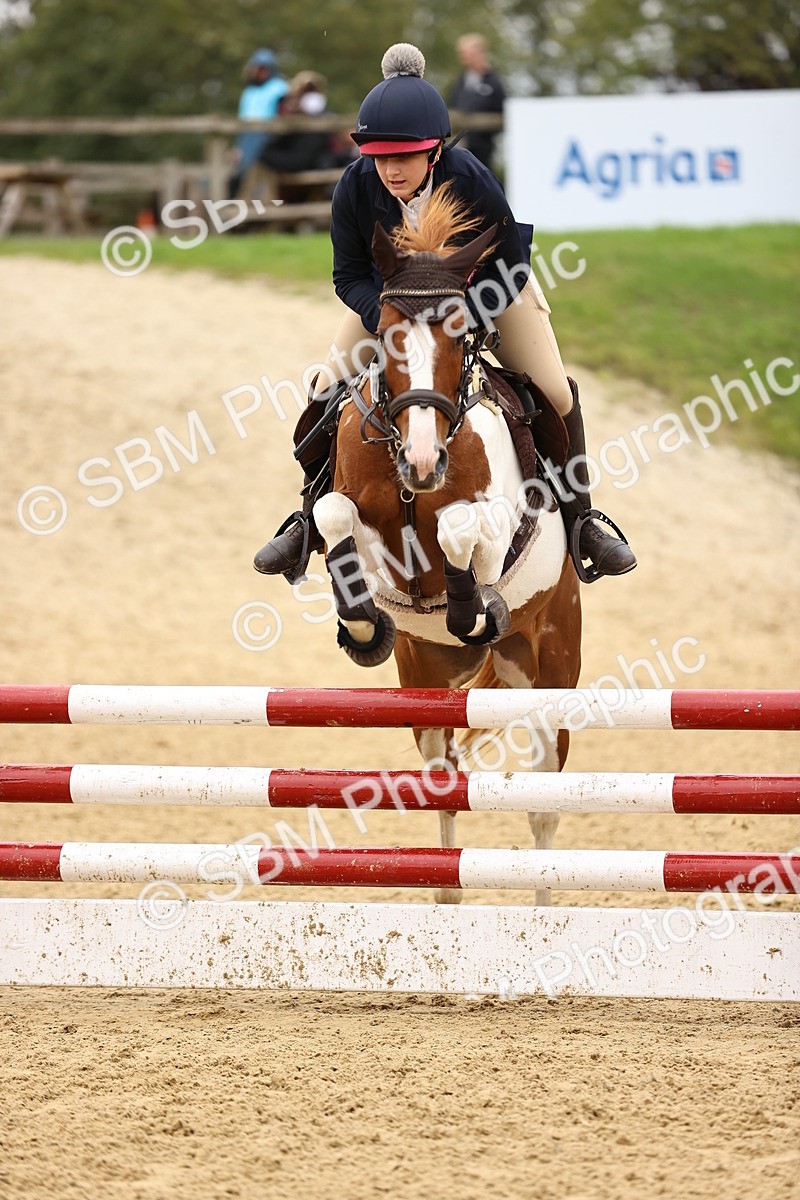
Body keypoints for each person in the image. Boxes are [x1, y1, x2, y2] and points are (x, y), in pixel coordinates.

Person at [254, 43, 636, 583]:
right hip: (391, 302)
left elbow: (509, 264)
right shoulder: (355, 186)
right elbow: (349, 277)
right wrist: (395, 319)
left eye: (404, 156)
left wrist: (461, 321)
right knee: (326, 386)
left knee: (555, 391)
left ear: (434, 153)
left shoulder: (470, 179)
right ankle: (307, 518)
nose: (390, 169)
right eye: (380, 156)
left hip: (488, 296)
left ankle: (582, 523)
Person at [228, 48, 289, 199]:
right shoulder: (249, 92)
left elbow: (282, 114)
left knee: (258, 173)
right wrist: (238, 146)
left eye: (262, 69)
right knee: (239, 174)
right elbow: (243, 122)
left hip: (268, 136)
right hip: (248, 137)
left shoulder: (279, 87)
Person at [448, 34, 505, 170]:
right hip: (461, 146)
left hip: (484, 147)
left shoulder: (494, 81)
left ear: (479, 52)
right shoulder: (461, 80)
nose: (463, 57)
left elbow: (502, 111)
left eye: (466, 53)